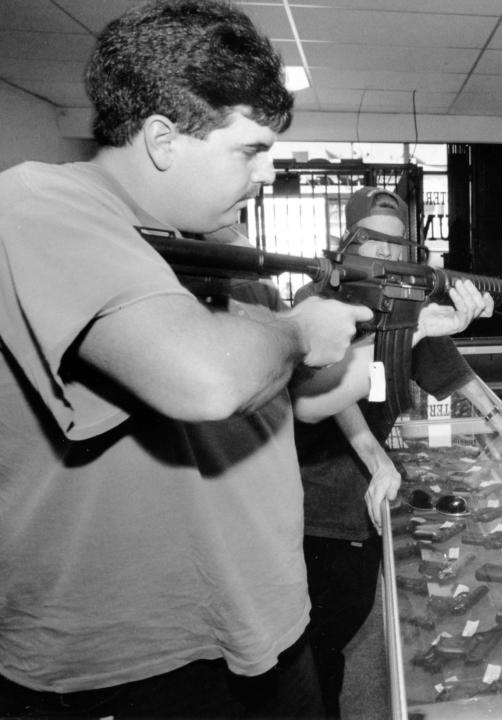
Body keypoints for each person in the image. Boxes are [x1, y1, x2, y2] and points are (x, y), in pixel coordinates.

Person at [0, 1, 382, 716]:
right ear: (163, 138)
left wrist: (356, 338)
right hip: (134, 660)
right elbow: (204, 380)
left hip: (265, 626)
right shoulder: (34, 203)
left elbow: (285, 401)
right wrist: (301, 331)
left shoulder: (215, 252)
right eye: (250, 149)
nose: (267, 172)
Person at [295, 186, 502, 718]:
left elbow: (449, 366)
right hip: (320, 495)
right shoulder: (318, 302)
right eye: (374, 245)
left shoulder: (399, 301)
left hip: (363, 486)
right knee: (321, 632)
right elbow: (326, 393)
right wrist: (378, 460)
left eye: (396, 246)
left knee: (344, 617)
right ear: (347, 242)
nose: (385, 257)